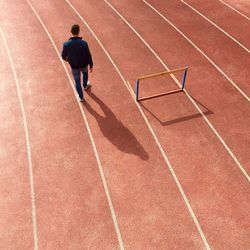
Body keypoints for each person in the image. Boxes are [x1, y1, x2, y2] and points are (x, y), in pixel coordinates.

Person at [62, 24, 93, 102]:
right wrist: (91, 65)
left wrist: (68, 61)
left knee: (77, 81)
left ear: (71, 31)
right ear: (79, 32)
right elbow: (88, 55)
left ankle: (81, 97)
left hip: (74, 66)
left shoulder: (66, 44)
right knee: (85, 74)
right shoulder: (84, 43)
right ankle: (85, 86)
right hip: (84, 65)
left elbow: (63, 56)